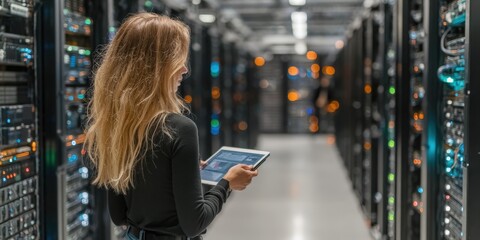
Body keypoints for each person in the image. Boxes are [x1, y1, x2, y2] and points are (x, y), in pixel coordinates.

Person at [84, 13, 259, 240]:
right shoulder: (179, 128)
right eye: (178, 61)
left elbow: (119, 215)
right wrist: (226, 183)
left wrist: (177, 174)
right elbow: (194, 223)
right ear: (157, 68)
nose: (185, 70)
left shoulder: (113, 126)